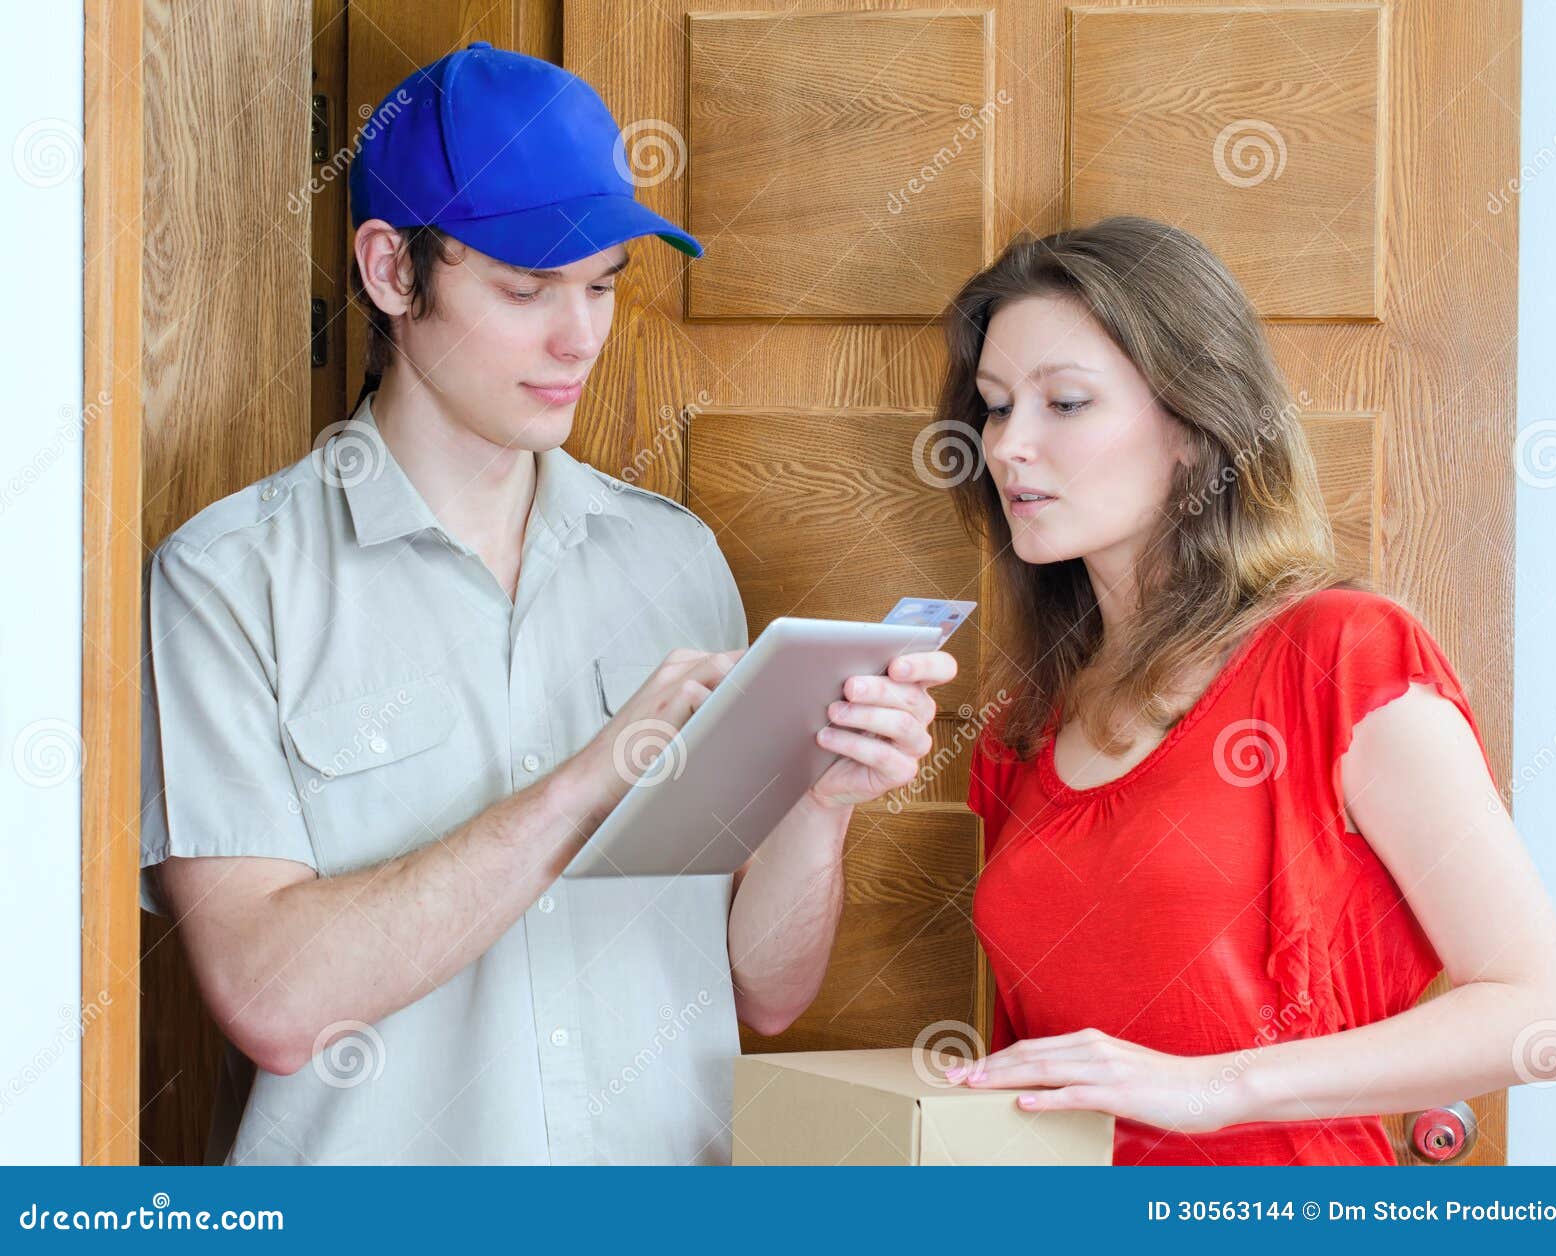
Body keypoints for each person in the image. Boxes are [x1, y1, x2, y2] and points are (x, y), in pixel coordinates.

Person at [138, 43, 955, 1165]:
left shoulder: (676, 561)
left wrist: (820, 805)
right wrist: (591, 779)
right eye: (525, 288)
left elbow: (763, 986)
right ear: (389, 271)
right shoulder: (230, 579)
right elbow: (274, 999)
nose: (579, 336)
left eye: (603, 283)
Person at [937, 217, 1556, 1164]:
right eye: (995, 408)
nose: (1007, 447)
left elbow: (1543, 1018)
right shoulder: (1022, 732)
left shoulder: (1345, 657)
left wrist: (1214, 1085)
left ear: (1196, 434)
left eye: (1066, 403)